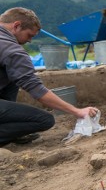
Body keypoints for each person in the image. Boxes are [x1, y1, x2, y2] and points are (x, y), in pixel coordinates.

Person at [0, 8, 99, 146]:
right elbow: (36, 89)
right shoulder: (12, 50)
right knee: (44, 120)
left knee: (13, 76)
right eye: (29, 35)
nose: (29, 41)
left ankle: (11, 133)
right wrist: (77, 111)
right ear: (16, 26)